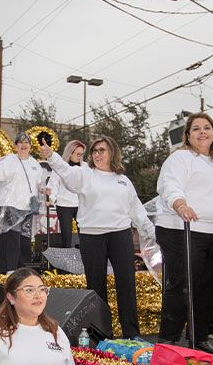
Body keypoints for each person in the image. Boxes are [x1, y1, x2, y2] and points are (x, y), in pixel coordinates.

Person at [42, 136, 155, 339]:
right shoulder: (84, 174)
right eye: (94, 151)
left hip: (120, 234)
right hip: (92, 236)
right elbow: (66, 172)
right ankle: (102, 334)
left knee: (126, 282)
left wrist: (150, 231)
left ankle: (131, 333)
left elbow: (136, 209)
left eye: (102, 150)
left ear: (113, 152)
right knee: (96, 284)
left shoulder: (124, 180)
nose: (97, 154)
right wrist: (52, 156)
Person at [154, 113, 213, 353]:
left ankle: (198, 338)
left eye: (207, 128)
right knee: (182, 284)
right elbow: (170, 184)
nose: (202, 132)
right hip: (183, 228)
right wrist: (180, 204)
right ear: (188, 135)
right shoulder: (181, 158)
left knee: (205, 288)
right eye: (196, 128)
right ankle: (168, 340)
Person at [0, 132, 46, 273]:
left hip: (27, 209)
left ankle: (22, 274)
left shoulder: (35, 165)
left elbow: (39, 185)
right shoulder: (10, 160)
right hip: (10, 206)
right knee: (12, 242)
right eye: (21, 142)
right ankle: (9, 271)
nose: (24, 145)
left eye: (27, 142)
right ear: (16, 145)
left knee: (24, 243)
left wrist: (44, 192)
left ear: (30, 146)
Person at [46, 140, 86, 248]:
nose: (79, 157)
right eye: (77, 154)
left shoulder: (85, 167)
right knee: (66, 235)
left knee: (85, 234)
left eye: (81, 154)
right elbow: (53, 185)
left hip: (81, 205)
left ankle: (86, 259)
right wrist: (51, 198)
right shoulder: (61, 166)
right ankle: (66, 262)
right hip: (64, 205)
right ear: (70, 152)